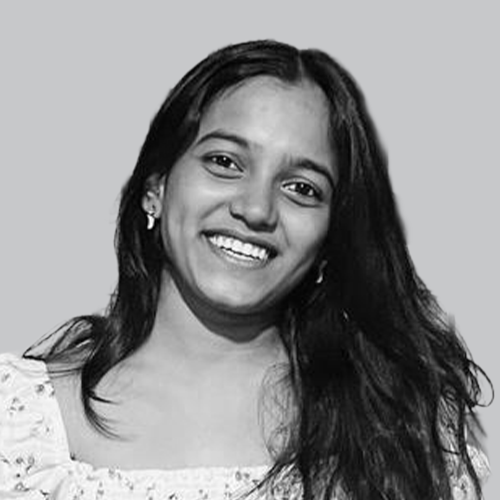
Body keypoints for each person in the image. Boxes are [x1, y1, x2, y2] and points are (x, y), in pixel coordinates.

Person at [0, 40, 490, 500]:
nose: (256, 209)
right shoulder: (19, 422)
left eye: (302, 188)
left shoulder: (402, 430)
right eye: (224, 162)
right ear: (156, 188)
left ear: (329, 239)